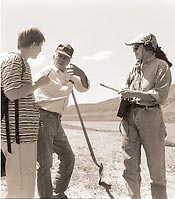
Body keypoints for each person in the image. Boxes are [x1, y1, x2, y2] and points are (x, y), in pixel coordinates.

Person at [119, 33, 172, 199]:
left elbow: (160, 96)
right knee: (129, 166)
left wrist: (133, 92)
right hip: (129, 117)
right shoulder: (135, 68)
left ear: (148, 47)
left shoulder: (161, 66)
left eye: (136, 47)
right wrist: (125, 92)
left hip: (151, 117)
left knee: (156, 169)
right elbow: (126, 86)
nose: (133, 51)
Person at [34, 43, 90, 199]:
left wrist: (81, 73)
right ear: (54, 55)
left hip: (56, 120)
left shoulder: (68, 73)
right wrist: (72, 81)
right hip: (43, 118)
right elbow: (61, 92)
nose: (61, 59)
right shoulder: (47, 72)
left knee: (68, 157)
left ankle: (58, 193)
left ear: (70, 60)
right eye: (59, 56)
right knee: (45, 163)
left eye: (66, 58)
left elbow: (84, 88)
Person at [1, 26, 50, 198]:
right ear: (34, 43)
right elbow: (12, 93)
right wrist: (39, 84)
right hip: (17, 136)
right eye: (40, 46)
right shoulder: (14, 61)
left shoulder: (20, 62)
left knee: (23, 184)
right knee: (20, 187)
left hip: (22, 135)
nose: (41, 50)